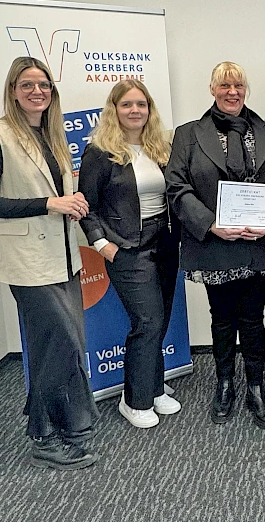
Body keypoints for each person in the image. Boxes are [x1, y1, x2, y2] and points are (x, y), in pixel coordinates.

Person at [0, 56, 99, 469]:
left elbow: (61, 194)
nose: (37, 91)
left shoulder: (52, 133)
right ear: (13, 89)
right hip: (26, 262)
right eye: (27, 85)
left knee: (65, 344)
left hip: (63, 257)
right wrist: (50, 203)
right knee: (59, 342)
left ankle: (71, 424)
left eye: (43, 84)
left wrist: (73, 201)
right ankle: (43, 434)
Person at [166, 61, 265, 430]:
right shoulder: (188, 134)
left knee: (253, 319)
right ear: (212, 89)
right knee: (221, 319)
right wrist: (211, 224)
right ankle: (224, 384)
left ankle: (255, 386)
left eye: (238, 84)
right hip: (214, 243)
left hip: (258, 243)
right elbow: (177, 186)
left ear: (246, 88)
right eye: (224, 85)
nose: (232, 91)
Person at [79, 80, 182, 429]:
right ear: (114, 109)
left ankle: (152, 388)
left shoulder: (160, 147)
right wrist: (101, 245)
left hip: (165, 243)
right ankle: (133, 399)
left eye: (141, 104)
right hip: (126, 247)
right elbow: (86, 206)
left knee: (161, 318)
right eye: (127, 105)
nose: (135, 110)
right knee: (147, 321)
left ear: (149, 109)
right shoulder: (99, 151)